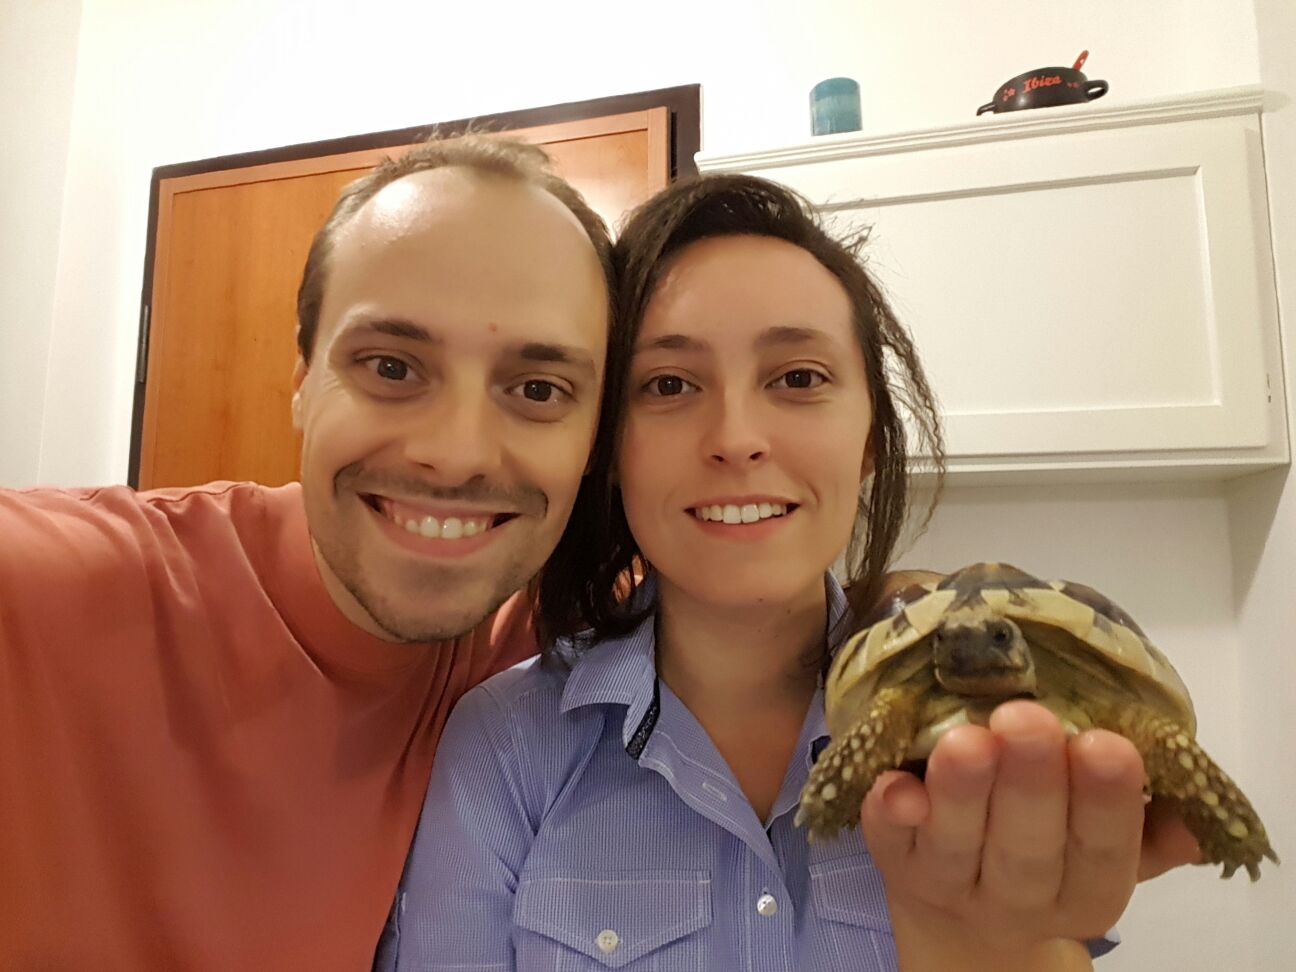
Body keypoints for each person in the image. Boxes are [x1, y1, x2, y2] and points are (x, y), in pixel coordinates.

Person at [378, 174, 1199, 971]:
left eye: (798, 378)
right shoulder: (505, 746)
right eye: (669, 384)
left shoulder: (1006, 730)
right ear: (610, 447)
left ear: (870, 436)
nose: (736, 438)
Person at [0, 136, 616, 970]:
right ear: (301, 381)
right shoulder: (50, 595)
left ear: (596, 437)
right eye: (392, 367)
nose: (456, 454)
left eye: (539, 390)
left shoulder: (581, 646)